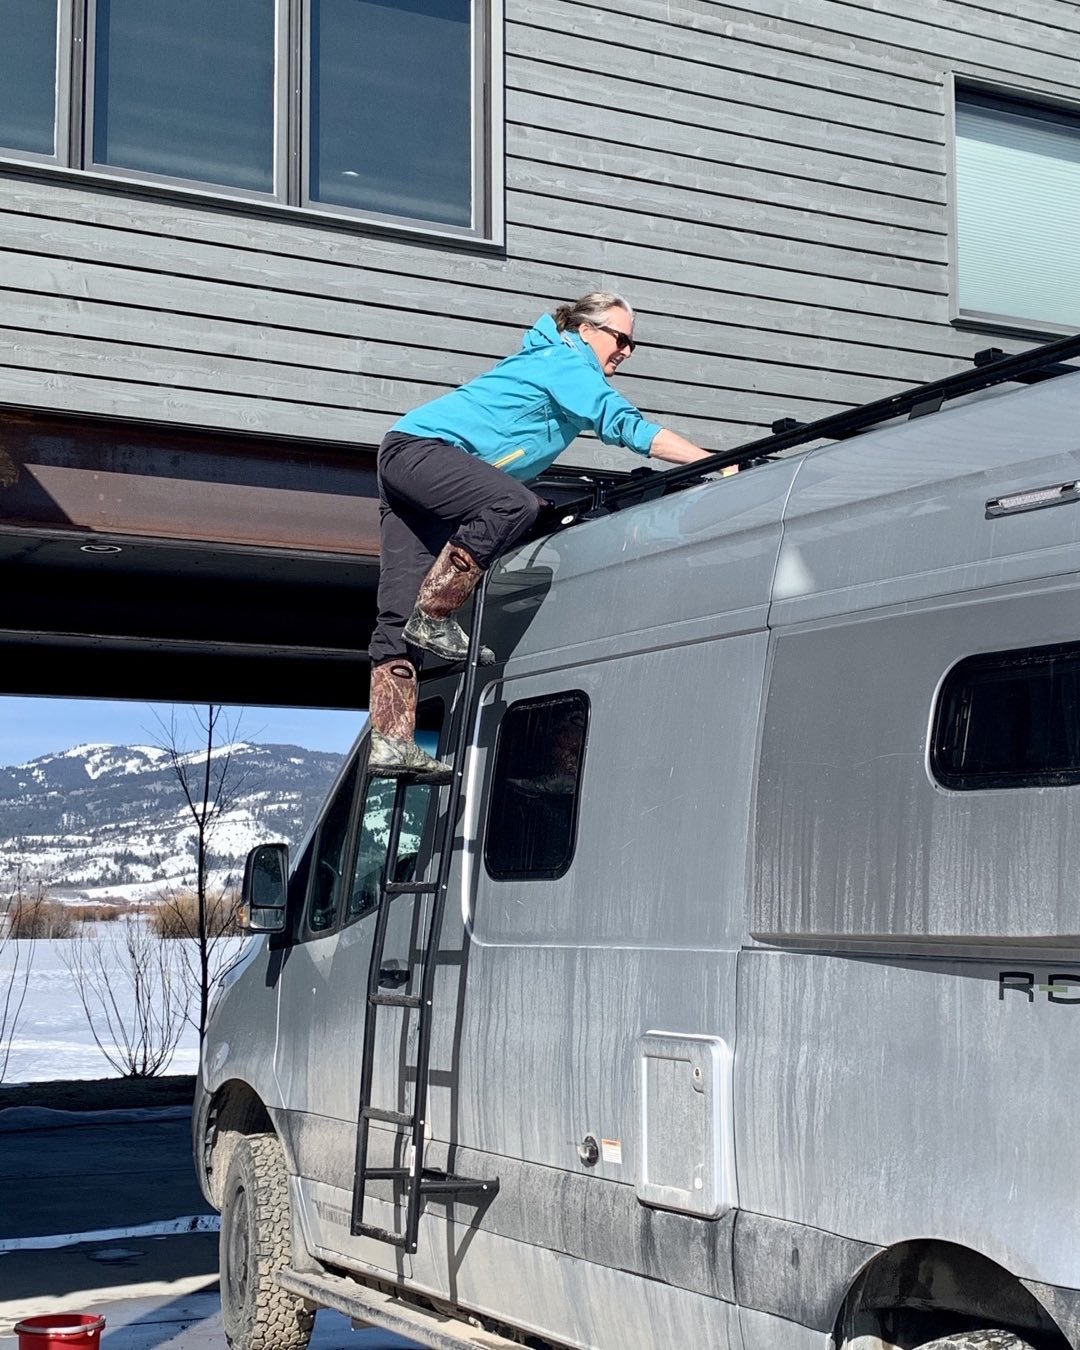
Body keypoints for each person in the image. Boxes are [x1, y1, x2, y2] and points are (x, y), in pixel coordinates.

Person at [367, 290, 718, 780]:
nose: (627, 351)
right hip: (422, 453)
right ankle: (436, 612)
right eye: (622, 338)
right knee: (514, 504)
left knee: (397, 610)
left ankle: (391, 740)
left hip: (404, 459)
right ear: (587, 330)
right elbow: (624, 425)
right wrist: (715, 463)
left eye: (633, 344)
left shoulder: (554, 360)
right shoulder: (566, 361)